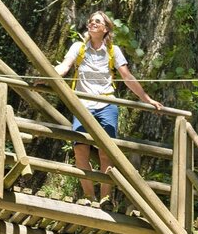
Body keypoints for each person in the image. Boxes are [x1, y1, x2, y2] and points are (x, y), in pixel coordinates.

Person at [52, 11, 163, 206]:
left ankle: (105, 197)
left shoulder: (113, 50)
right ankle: (88, 196)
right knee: (80, 151)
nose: (92, 23)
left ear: (106, 29)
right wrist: (44, 75)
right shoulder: (79, 47)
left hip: (106, 105)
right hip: (83, 105)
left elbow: (127, 78)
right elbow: (64, 67)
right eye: (91, 21)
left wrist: (147, 99)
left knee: (106, 152)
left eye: (97, 21)